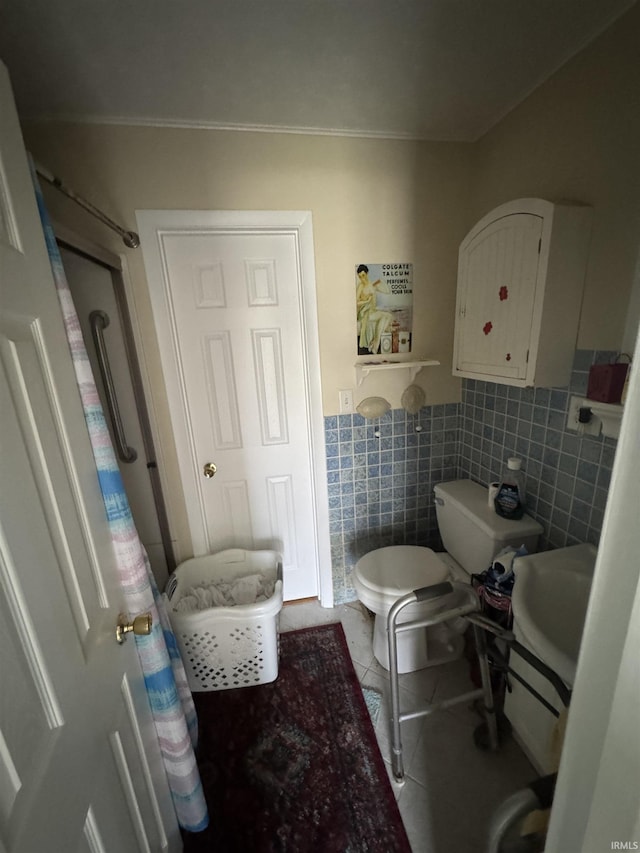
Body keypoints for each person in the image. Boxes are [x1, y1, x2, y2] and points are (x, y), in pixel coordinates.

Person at [356, 264, 392, 354]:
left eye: (363, 275)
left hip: (373, 311)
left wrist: (380, 282)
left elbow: (387, 291)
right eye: (360, 277)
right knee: (384, 317)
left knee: (388, 316)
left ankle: (375, 342)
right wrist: (366, 301)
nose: (362, 279)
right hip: (365, 313)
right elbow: (356, 302)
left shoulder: (372, 285)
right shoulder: (361, 286)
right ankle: (375, 344)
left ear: (367, 274)